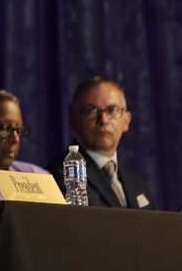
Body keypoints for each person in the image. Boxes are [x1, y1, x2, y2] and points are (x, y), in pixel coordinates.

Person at [46, 76, 156, 209]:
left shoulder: (135, 180)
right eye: (91, 110)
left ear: (127, 120)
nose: (103, 120)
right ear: (74, 121)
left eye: (112, 110)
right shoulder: (58, 177)